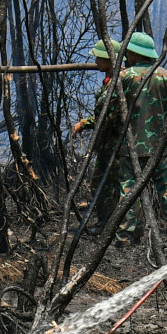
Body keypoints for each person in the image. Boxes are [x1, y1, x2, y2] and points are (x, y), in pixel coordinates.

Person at [114, 32, 167, 244]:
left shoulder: (124, 77)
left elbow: (111, 111)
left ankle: (126, 237)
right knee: (166, 190)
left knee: (128, 191)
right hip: (160, 148)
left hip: (130, 148)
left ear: (134, 54)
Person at [70, 38, 124, 225]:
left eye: (98, 58)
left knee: (109, 186)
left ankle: (110, 225)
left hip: (116, 145)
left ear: (109, 59)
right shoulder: (111, 81)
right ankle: (106, 224)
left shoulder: (119, 82)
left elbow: (108, 115)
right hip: (108, 144)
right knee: (102, 185)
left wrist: (86, 123)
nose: (95, 62)